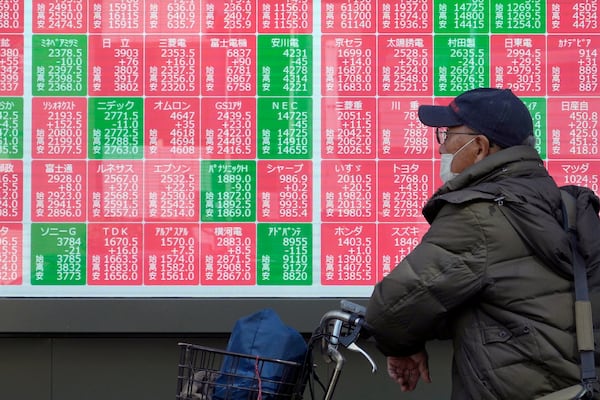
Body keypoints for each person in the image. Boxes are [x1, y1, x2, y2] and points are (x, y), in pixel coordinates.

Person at [365, 88, 600, 399]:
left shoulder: (477, 216)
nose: (441, 148)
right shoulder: (569, 208)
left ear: (479, 148)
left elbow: (390, 311)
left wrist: (403, 346)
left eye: (447, 134)